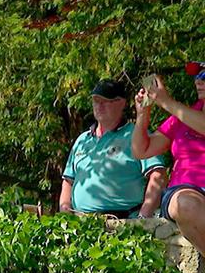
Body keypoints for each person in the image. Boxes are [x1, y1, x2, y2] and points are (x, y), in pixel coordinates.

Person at [59, 80, 168, 217]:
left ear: (121, 103)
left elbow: (158, 176)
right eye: (96, 101)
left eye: (105, 101)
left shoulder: (137, 135)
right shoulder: (82, 140)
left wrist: (143, 217)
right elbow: (68, 181)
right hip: (80, 222)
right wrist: (65, 215)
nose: (99, 106)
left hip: (121, 221)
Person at [134, 65, 205, 256]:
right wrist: (142, 115)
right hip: (187, 190)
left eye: (204, 75)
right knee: (185, 204)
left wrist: (166, 102)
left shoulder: (181, 112)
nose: (199, 80)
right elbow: (142, 150)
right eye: (197, 75)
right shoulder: (183, 116)